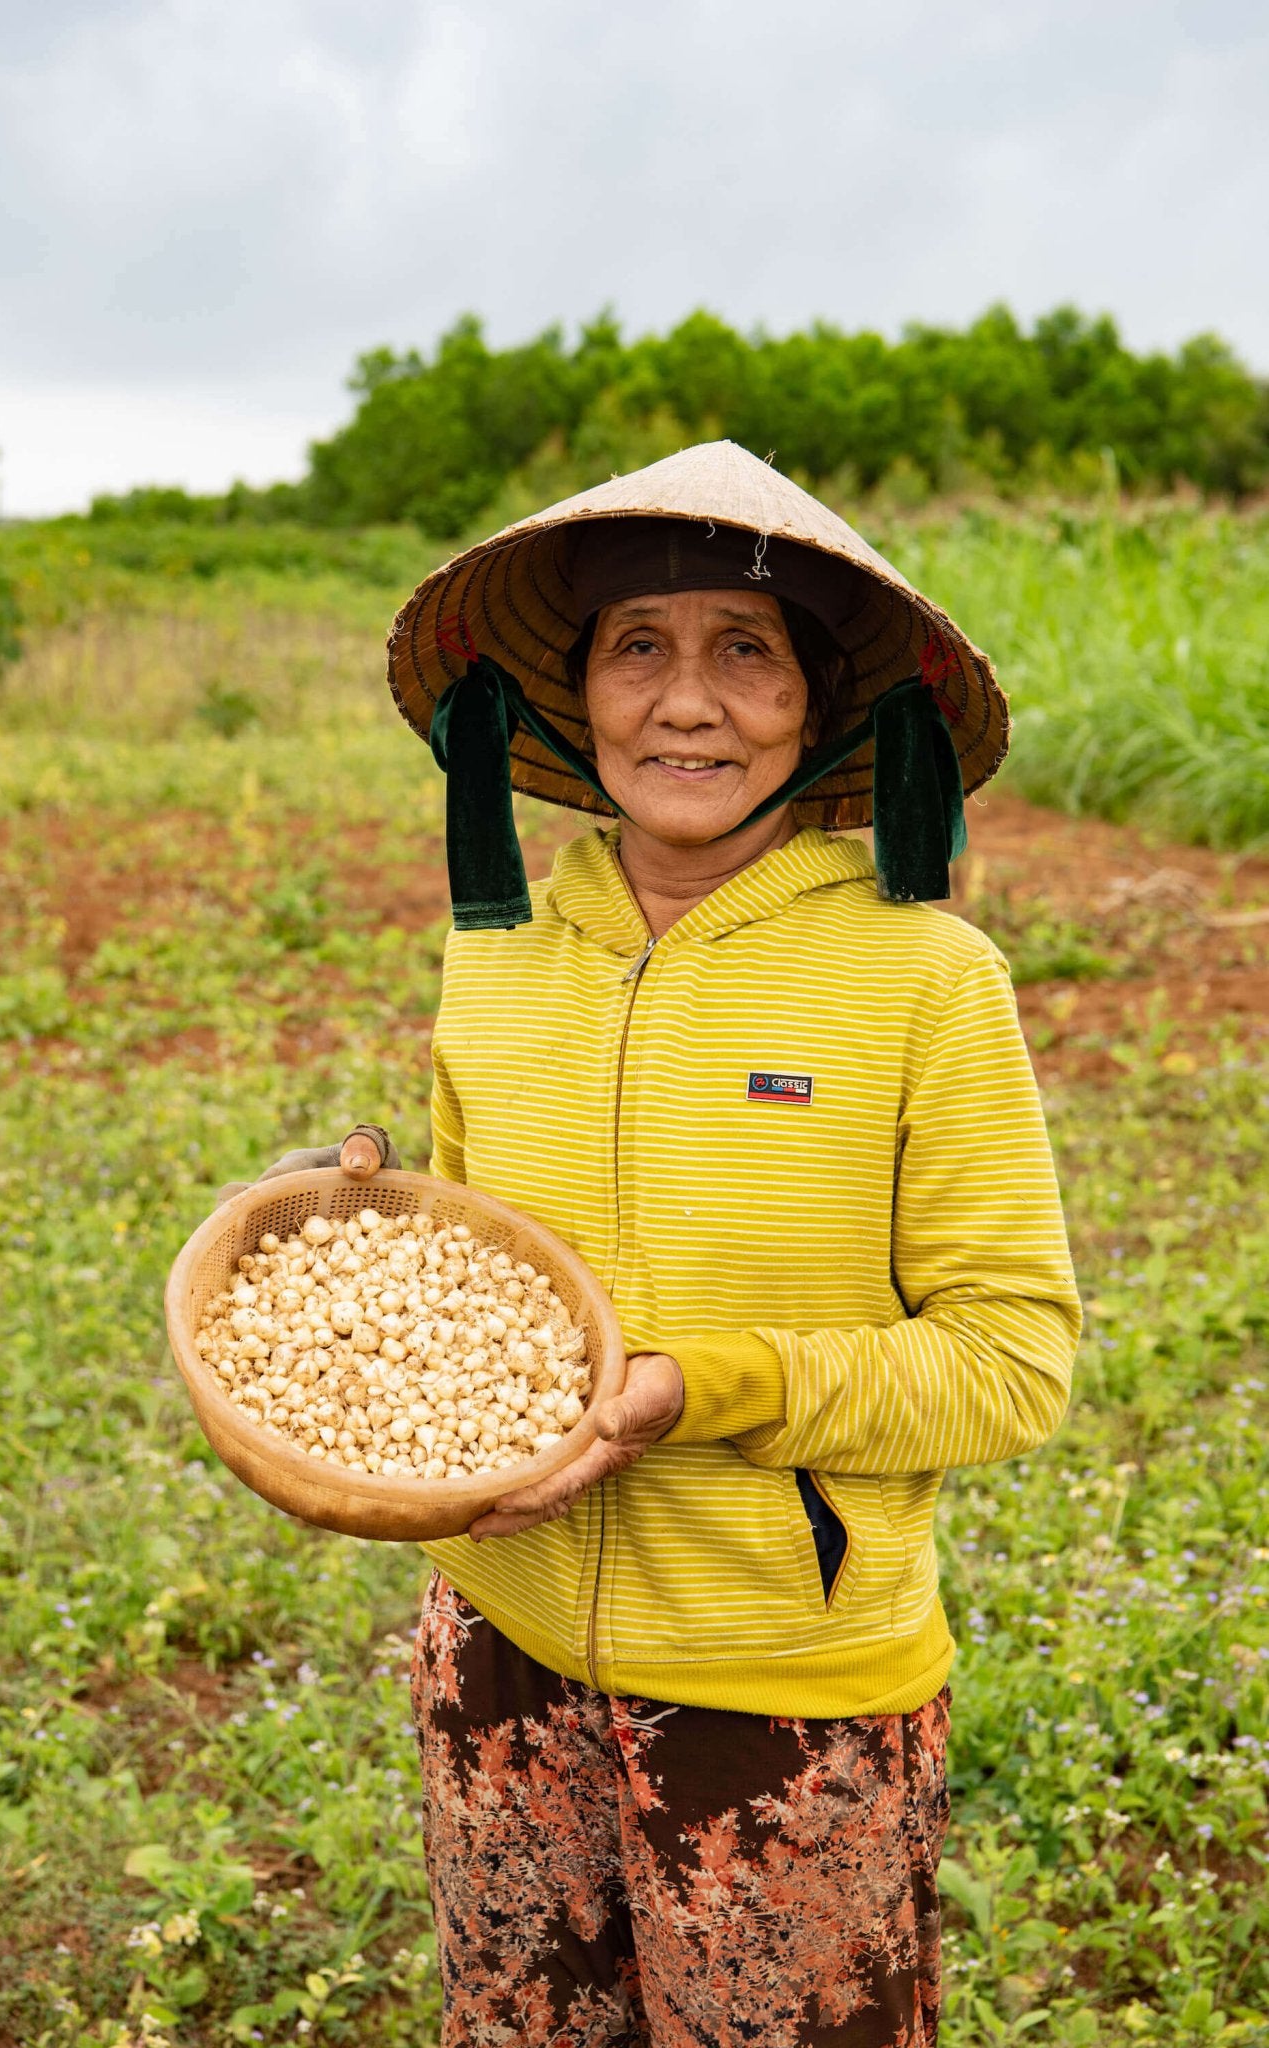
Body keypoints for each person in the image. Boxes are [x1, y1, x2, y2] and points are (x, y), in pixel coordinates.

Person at [243, 443, 1081, 2046]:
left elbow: (1010, 1360)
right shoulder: (498, 953)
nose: (686, 703)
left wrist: (696, 1388)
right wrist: (353, 1229)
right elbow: (479, 1255)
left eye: (745, 651)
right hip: (496, 1640)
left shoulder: (928, 979)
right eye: (640, 647)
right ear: (573, 691)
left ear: (826, 707)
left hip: (782, 1685)